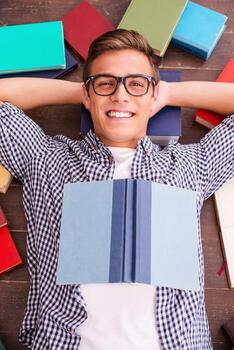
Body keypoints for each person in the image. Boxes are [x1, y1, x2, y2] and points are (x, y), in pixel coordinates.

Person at [0, 29, 234, 350]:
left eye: (136, 83)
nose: (121, 95)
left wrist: (166, 93)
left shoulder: (190, 166)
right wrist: (85, 93)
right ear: (88, 93)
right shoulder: (45, 158)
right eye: (106, 82)